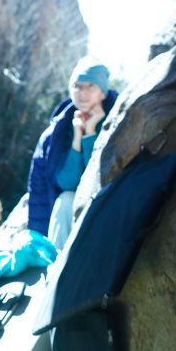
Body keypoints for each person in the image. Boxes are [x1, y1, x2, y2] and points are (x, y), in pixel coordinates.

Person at [27, 58, 118, 250]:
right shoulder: (56, 132)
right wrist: (78, 137)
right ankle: (55, 271)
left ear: (103, 93)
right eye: (77, 86)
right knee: (65, 199)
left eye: (90, 86)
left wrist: (92, 132)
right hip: (70, 213)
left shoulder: (121, 122)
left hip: (110, 208)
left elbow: (102, 178)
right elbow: (66, 184)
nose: (82, 93)